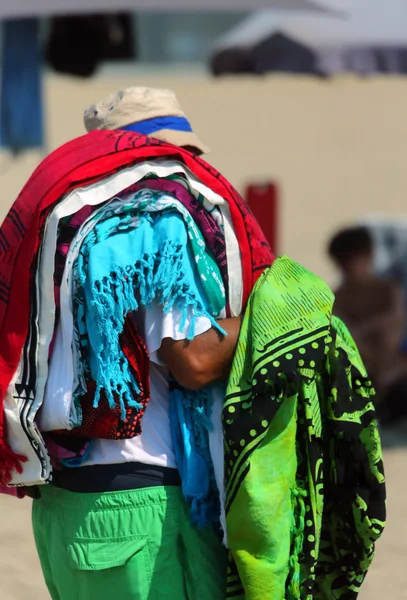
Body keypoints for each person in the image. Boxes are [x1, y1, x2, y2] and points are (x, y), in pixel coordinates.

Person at [328, 225, 407, 421]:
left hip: (391, 373)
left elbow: (393, 328)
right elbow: (346, 339)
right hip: (361, 378)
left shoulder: (388, 291)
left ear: (368, 256)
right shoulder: (335, 300)